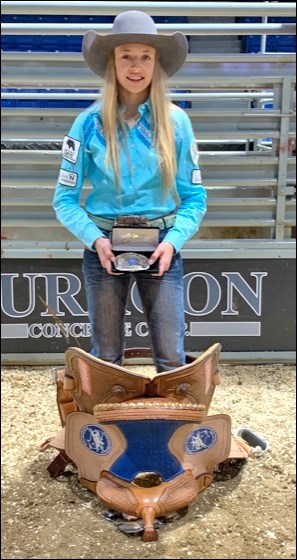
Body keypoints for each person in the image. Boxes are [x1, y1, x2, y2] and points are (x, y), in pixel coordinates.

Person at [53, 10, 207, 372]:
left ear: (156, 64)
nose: (135, 66)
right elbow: (63, 198)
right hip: (105, 243)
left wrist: (173, 243)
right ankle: (108, 428)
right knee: (106, 358)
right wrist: (97, 241)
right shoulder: (88, 124)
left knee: (171, 356)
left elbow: (196, 197)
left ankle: (172, 427)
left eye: (145, 57)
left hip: (162, 243)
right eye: (126, 56)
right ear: (112, 62)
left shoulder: (176, 123)